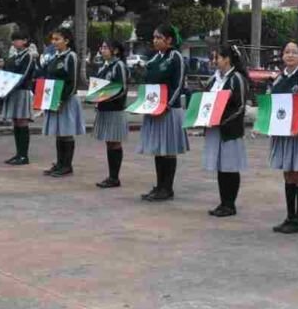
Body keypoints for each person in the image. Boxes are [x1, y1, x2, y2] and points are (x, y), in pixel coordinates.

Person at [268, 40, 298, 233]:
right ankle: (289, 217)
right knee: (287, 173)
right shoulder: (279, 79)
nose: (289, 55)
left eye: (294, 52)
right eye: (286, 52)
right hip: (282, 135)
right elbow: (273, 107)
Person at [138, 24, 189, 202]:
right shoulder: (154, 59)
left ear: (169, 40)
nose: (155, 41)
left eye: (159, 37)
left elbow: (178, 85)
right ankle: (159, 186)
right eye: (154, 37)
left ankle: (167, 188)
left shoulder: (176, 58)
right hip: (154, 110)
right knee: (158, 150)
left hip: (169, 111)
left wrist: (166, 106)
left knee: (168, 151)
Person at [201, 44, 249, 217]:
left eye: (217, 58)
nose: (214, 61)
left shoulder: (236, 78)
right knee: (220, 166)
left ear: (227, 59)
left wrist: (222, 121)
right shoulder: (214, 79)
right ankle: (223, 203)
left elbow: (240, 107)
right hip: (215, 129)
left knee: (230, 167)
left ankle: (230, 204)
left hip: (230, 131)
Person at [40, 27, 86, 177]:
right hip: (54, 99)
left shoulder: (70, 56)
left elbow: (72, 82)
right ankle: (60, 163)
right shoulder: (55, 57)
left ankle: (67, 165)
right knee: (59, 133)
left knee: (66, 132)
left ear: (66, 41)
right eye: (52, 39)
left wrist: (62, 100)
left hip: (66, 100)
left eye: (57, 39)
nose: (54, 42)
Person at [93, 40, 130, 188]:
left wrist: (104, 98)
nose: (102, 50)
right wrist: (95, 98)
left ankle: (114, 177)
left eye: (106, 48)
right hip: (104, 108)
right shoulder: (104, 66)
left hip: (115, 108)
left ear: (115, 51)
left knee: (114, 141)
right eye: (101, 47)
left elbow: (122, 89)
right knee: (109, 141)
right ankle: (111, 176)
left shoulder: (118, 65)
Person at [0, 32, 36, 166]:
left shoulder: (28, 56)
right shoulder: (14, 57)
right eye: (13, 40)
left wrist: (9, 86)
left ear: (25, 40)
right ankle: (18, 153)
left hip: (22, 91)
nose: (14, 43)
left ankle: (24, 155)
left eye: (17, 39)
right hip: (12, 91)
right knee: (15, 121)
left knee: (22, 121)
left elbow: (24, 75)